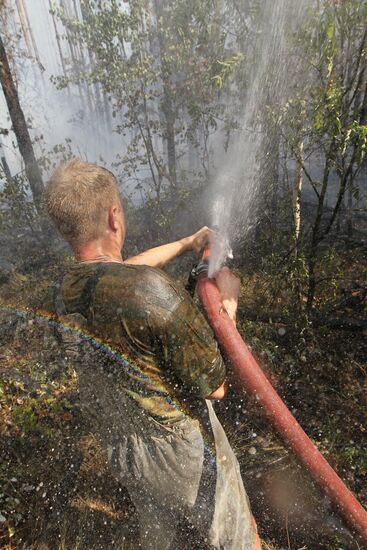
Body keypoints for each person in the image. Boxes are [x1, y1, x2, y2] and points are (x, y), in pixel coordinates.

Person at [44, 159, 260, 549]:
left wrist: (186, 244)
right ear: (114, 217)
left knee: (160, 535)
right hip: (181, 455)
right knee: (236, 539)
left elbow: (120, 272)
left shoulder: (64, 291)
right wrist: (228, 304)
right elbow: (217, 387)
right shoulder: (152, 294)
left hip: (123, 448)